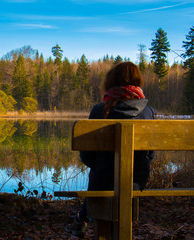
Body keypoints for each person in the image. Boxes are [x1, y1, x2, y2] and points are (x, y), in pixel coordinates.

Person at [67, 62, 156, 238]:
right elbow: (150, 156)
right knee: (111, 177)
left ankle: (81, 220)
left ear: (111, 81)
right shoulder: (149, 112)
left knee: (100, 175)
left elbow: (87, 157)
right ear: (138, 81)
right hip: (136, 180)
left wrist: (102, 165)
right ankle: (81, 220)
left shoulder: (100, 111)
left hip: (102, 179)